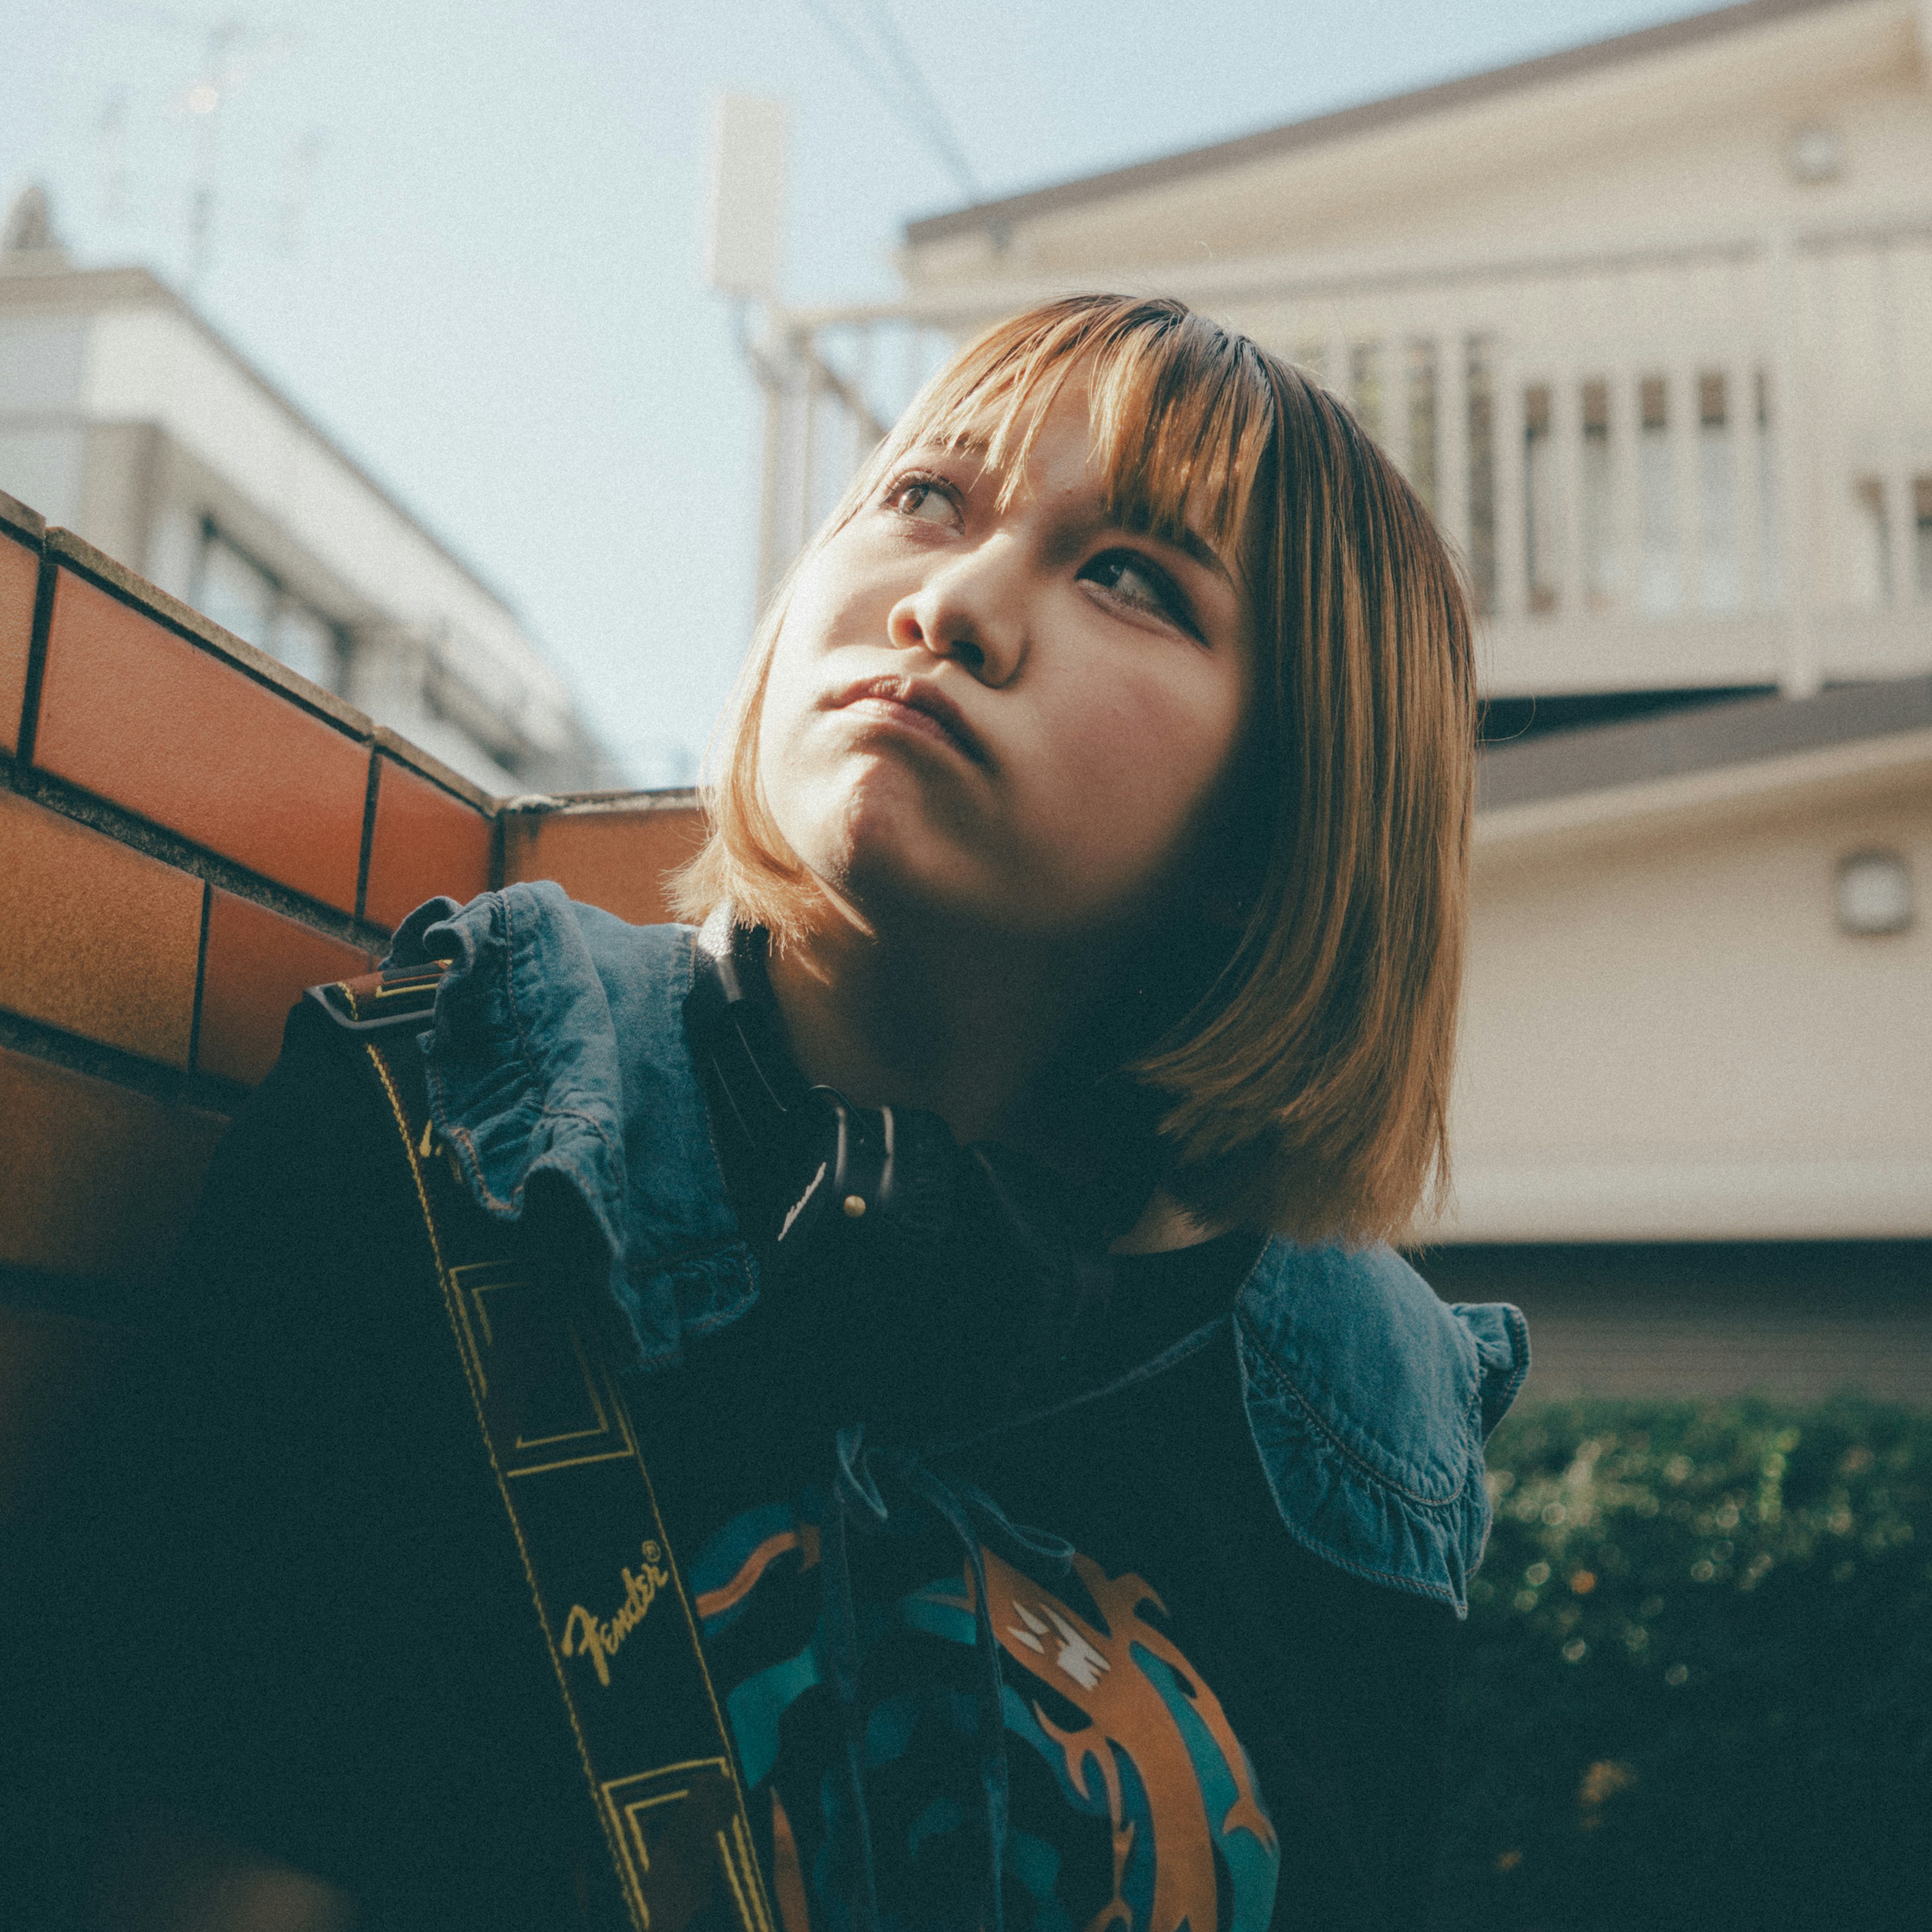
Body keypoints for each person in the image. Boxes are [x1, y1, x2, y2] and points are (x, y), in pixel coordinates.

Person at [16, 292, 1525, 1932]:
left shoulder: (1362, 1429)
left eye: (1130, 579)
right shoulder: (451, 1119)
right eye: (924, 498)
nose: (951, 603)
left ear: (1275, 829)